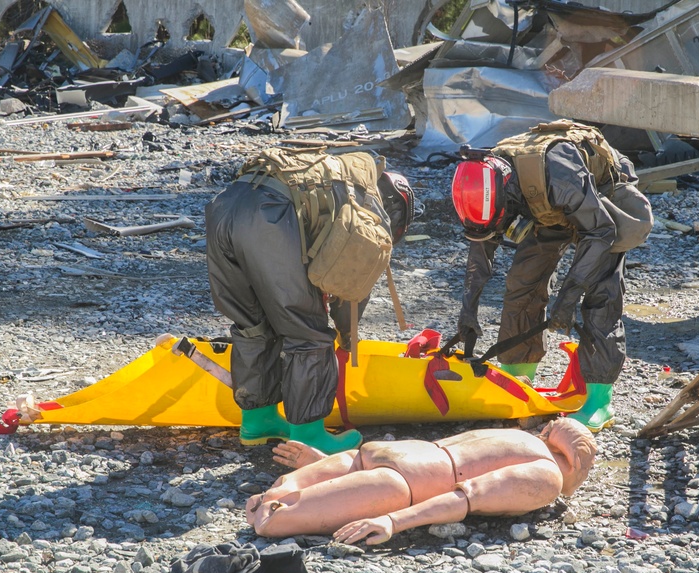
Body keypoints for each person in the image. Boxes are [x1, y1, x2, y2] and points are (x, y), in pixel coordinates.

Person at [205, 148, 414, 454]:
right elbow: (351, 288)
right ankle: (308, 435)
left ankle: (258, 420)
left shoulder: (336, 177)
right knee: (308, 332)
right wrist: (345, 339)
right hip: (268, 215)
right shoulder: (368, 204)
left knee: (252, 324)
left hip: (224, 206)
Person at [450, 120, 654, 432]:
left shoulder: (559, 175)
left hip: (601, 204)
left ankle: (600, 401)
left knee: (601, 293)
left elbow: (600, 231)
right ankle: (518, 377)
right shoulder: (490, 180)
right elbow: (481, 252)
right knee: (523, 283)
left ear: (507, 200)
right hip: (549, 204)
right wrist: (468, 312)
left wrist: (567, 299)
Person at [244, 417, 597, 544]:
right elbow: (465, 497)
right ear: (576, 464)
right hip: (405, 480)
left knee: (277, 495)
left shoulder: (519, 436)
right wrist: (393, 521)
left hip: (380, 453)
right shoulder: (547, 475)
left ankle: (287, 489)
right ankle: (285, 500)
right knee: (270, 523)